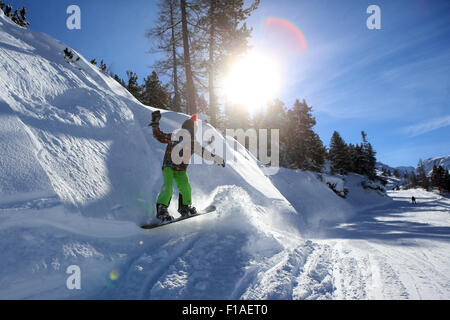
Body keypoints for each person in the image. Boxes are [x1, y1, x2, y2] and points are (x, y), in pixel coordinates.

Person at [150, 110, 225, 222]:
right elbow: (160, 136)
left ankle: (184, 207)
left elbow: (205, 153)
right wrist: (155, 123)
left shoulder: (193, 143)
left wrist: (216, 158)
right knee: (168, 187)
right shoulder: (175, 136)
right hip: (169, 166)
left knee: (186, 187)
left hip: (181, 170)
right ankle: (162, 209)